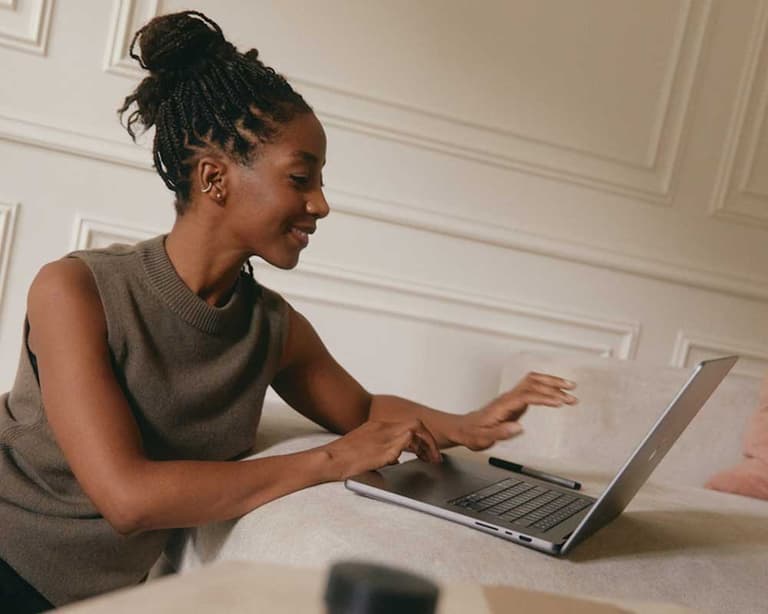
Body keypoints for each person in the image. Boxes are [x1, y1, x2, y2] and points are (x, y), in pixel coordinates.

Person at [0, 10, 578, 612]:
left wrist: (470, 423)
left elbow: (363, 411)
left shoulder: (271, 329)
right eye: (301, 178)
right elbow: (128, 499)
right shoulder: (75, 291)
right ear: (214, 178)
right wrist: (331, 460)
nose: (321, 204)